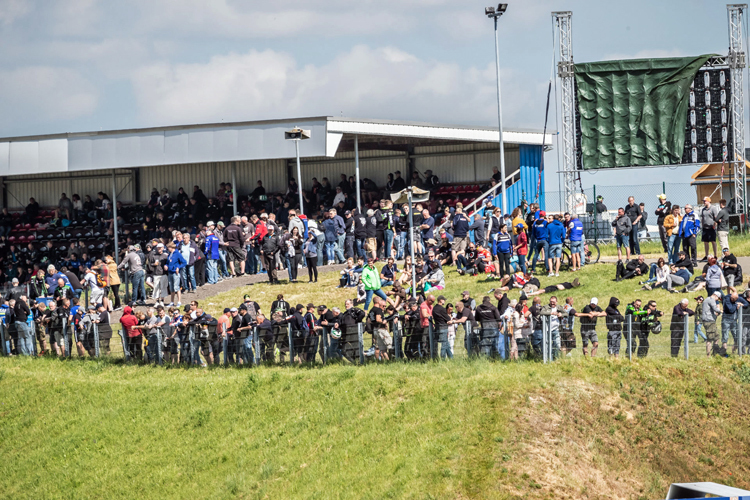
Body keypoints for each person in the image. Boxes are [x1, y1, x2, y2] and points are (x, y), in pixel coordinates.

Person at [702, 290, 723, 357]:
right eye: (718, 298)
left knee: (716, 337)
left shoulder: (707, 299)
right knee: (710, 339)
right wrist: (721, 311)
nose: (718, 300)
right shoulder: (711, 300)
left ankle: (715, 353)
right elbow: (715, 308)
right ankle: (708, 356)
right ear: (715, 295)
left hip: (710, 321)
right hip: (709, 321)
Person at [166, 242, 187, 307]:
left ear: (171, 247)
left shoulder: (178, 254)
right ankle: (172, 302)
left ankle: (179, 301)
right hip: (170, 272)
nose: (167, 249)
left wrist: (178, 267)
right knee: (171, 288)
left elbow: (184, 262)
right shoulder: (170, 254)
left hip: (175, 273)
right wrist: (166, 265)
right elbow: (168, 262)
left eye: (168, 248)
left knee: (176, 287)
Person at [699, 196, 719, 261]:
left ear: (708, 201)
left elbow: (716, 218)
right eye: (703, 201)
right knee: (705, 242)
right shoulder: (703, 209)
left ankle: (715, 255)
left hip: (711, 227)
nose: (704, 202)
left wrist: (714, 226)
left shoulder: (713, 208)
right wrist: (702, 225)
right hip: (705, 227)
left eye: (705, 201)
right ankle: (706, 255)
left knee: (713, 241)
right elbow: (702, 218)